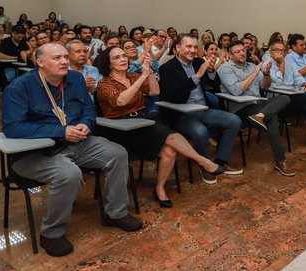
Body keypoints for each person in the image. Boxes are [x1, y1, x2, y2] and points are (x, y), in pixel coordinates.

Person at [1, 43, 142, 257]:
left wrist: (86, 123)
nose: (64, 61)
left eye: (66, 57)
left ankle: (115, 214)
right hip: (34, 153)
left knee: (117, 153)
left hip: (74, 142)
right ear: (40, 62)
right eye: (57, 58)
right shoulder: (19, 87)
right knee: (69, 174)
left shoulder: (75, 79)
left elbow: (88, 110)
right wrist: (61, 131)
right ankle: (51, 233)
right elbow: (12, 127)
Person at [94, 45, 224, 206]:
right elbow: (121, 101)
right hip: (118, 129)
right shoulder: (104, 84)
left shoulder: (133, 76)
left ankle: (160, 188)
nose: (123, 59)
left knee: (169, 151)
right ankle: (202, 161)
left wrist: (148, 72)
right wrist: (142, 76)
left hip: (141, 122)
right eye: (117, 57)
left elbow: (155, 91)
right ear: (108, 63)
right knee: (163, 132)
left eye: (123, 56)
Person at [158, 34, 243, 183]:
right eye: (188, 46)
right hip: (180, 114)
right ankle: (205, 166)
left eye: (195, 47)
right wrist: (197, 76)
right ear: (178, 48)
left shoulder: (198, 62)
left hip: (202, 109)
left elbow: (215, 84)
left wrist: (210, 71)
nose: (192, 50)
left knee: (234, 121)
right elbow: (172, 95)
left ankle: (221, 161)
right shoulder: (167, 68)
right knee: (200, 131)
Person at [218, 40, 295, 176]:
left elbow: (265, 86)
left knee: (285, 98)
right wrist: (254, 72)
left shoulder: (251, 65)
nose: (242, 53)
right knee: (273, 118)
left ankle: (260, 116)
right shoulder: (225, 69)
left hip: (257, 104)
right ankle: (280, 161)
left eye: (243, 50)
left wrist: (266, 74)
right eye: (238, 52)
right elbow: (237, 90)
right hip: (241, 109)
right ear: (230, 55)